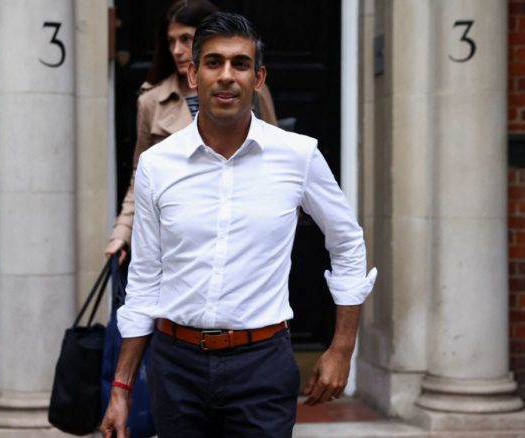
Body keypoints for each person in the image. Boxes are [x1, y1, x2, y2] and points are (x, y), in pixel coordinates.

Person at [101, 11, 377, 438]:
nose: (227, 75)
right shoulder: (158, 164)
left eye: (240, 64)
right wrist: (121, 388)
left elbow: (347, 241)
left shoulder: (298, 156)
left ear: (258, 78)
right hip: (176, 367)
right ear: (193, 75)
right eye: (214, 62)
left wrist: (342, 348)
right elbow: (144, 279)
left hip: (261, 365)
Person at [105, 0, 277, 265]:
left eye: (186, 39)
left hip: (241, 233)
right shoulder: (151, 101)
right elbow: (140, 175)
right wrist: (122, 234)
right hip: (179, 236)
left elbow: (274, 152)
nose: (177, 50)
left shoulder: (250, 90)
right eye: (171, 41)